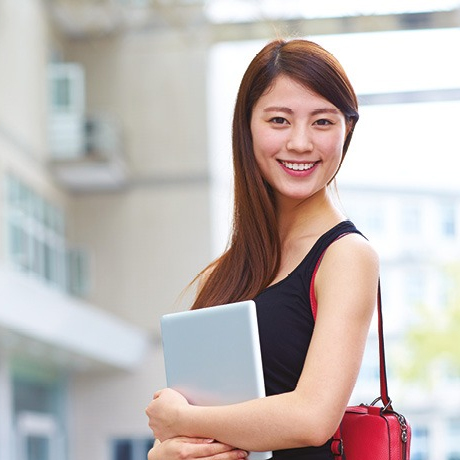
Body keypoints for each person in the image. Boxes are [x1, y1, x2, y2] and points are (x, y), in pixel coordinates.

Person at [145, 38, 379, 460]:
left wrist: (179, 421)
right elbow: (200, 422)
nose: (301, 143)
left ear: (347, 131)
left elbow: (312, 418)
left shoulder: (346, 255)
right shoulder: (236, 267)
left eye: (323, 122)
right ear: (246, 127)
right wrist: (163, 452)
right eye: (279, 120)